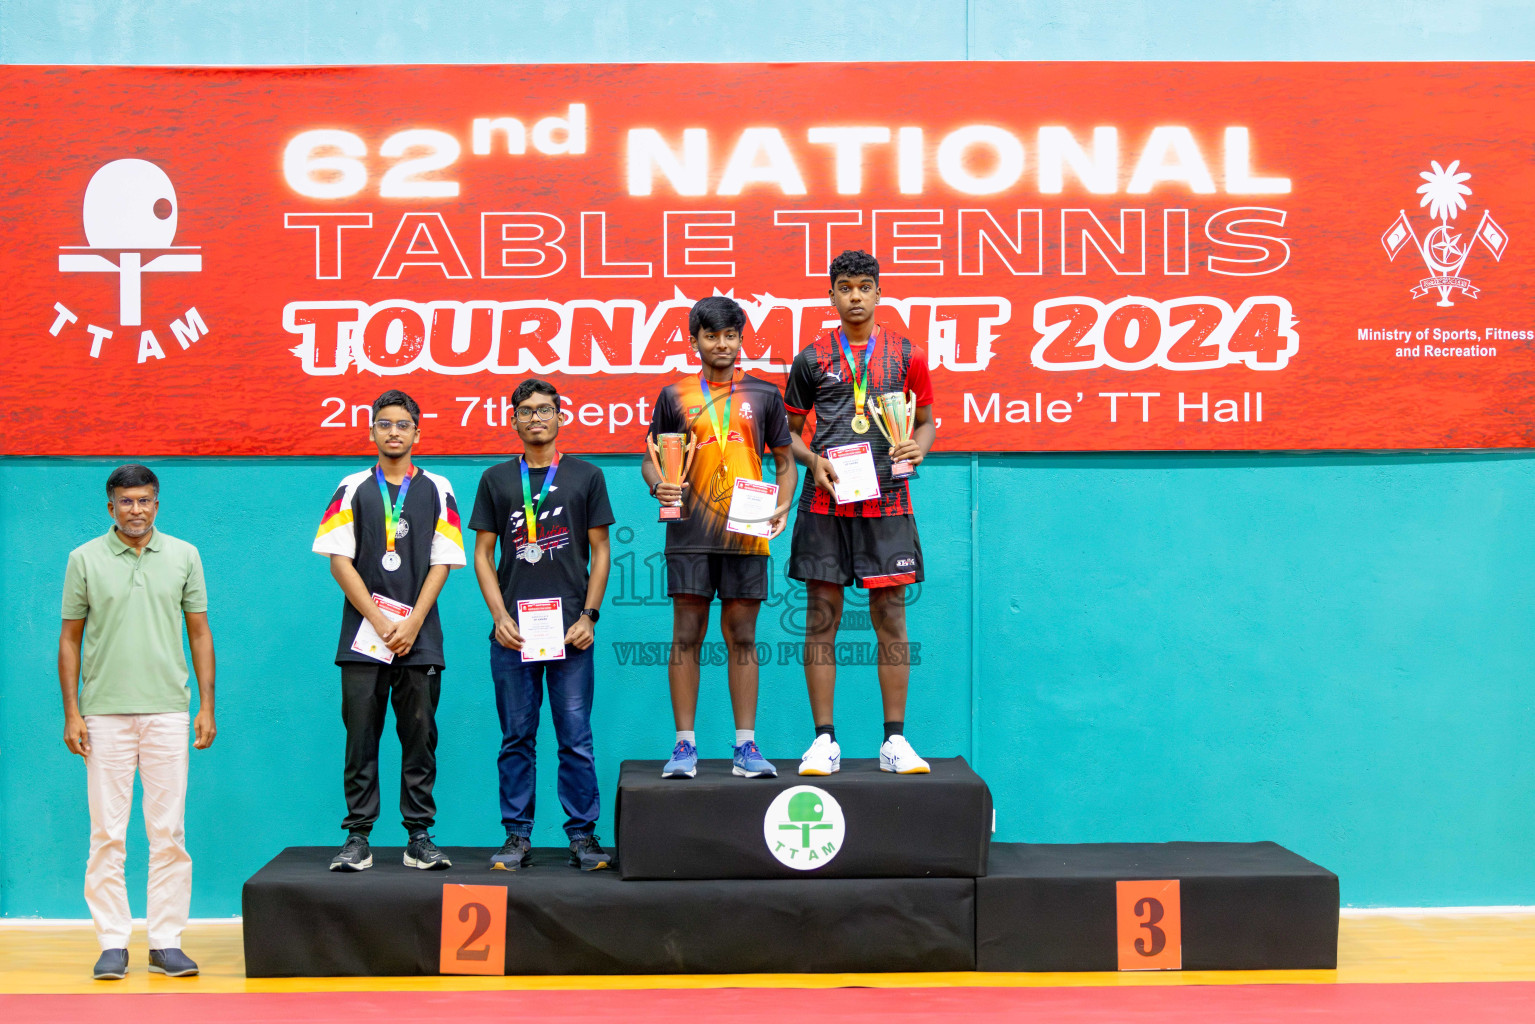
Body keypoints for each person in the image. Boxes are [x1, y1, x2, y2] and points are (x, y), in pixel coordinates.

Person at [60, 464, 216, 981]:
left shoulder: (184, 556)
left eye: (145, 500)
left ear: (157, 504)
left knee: (168, 831)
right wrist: (72, 712)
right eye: (126, 501)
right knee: (107, 832)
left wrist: (206, 706)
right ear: (111, 507)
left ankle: (166, 941)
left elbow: (199, 634)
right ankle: (111, 942)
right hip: (103, 714)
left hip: (168, 711)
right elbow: (69, 639)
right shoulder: (83, 558)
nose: (136, 510)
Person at [783, 250, 937, 776]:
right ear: (831, 295)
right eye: (844, 287)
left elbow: (927, 422)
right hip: (825, 499)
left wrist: (918, 447)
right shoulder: (811, 359)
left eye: (864, 286)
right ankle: (823, 740)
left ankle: (895, 741)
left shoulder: (907, 354)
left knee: (891, 616)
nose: (854, 296)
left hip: (888, 498)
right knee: (821, 618)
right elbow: (787, 435)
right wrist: (812, 459)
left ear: (878, 292)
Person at [641, 296, 796, 779]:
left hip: (748, 533)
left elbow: (787, 464)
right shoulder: (674, 396)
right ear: (695, 342)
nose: (722, 344)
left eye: (730, 335)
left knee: (743, 637)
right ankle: (684, 747)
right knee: (686, 636)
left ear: (740, 339)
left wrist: (783, 505)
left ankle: (746, 748)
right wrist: (656, 483)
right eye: (712, 336)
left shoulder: (765, 395)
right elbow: (650, 457)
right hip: (690, 531)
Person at [312, 390, 465, 872]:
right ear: (373, 430)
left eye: (403, 424)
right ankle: (358, 837)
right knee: (361, 736)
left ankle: (419, 836)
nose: (394, 431)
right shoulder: (352, 486)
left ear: (418, 433)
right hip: (363, 639)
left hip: (419, 637)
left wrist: (413, 621)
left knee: (420, 736)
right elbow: (339, 560)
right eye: (385, 424)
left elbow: (444, 559)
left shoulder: (439, 487)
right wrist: (378, 620)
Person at [469, 378, 614, 871]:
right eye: (526, 411)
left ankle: (583, 836)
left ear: (559, 417)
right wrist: (499, 616)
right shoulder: (495, 480)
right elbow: (483, 556)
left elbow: (600, 550)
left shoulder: (586, 476)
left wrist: (589, 616)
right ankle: (516, 838)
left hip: (571, 632)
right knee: (516, 738)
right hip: (513, 636)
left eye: (545, 410)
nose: (536, 418)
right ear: (513, 419)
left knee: (575, 737)